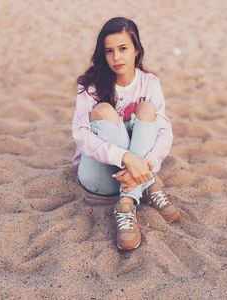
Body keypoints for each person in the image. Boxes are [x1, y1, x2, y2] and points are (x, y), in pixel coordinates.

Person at [72, 17, 180, 251]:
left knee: (148, 110)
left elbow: (164, 131)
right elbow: (80, 134)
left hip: (135, 174)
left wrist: (148, 163)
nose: (116, 57)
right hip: (100, 176)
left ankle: (127, 202)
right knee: (103, 110)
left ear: (137, 50)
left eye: (123, 49)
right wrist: (128, 159)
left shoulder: (149, 83)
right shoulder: (90, 85)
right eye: (109, 51)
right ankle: (149, 185)